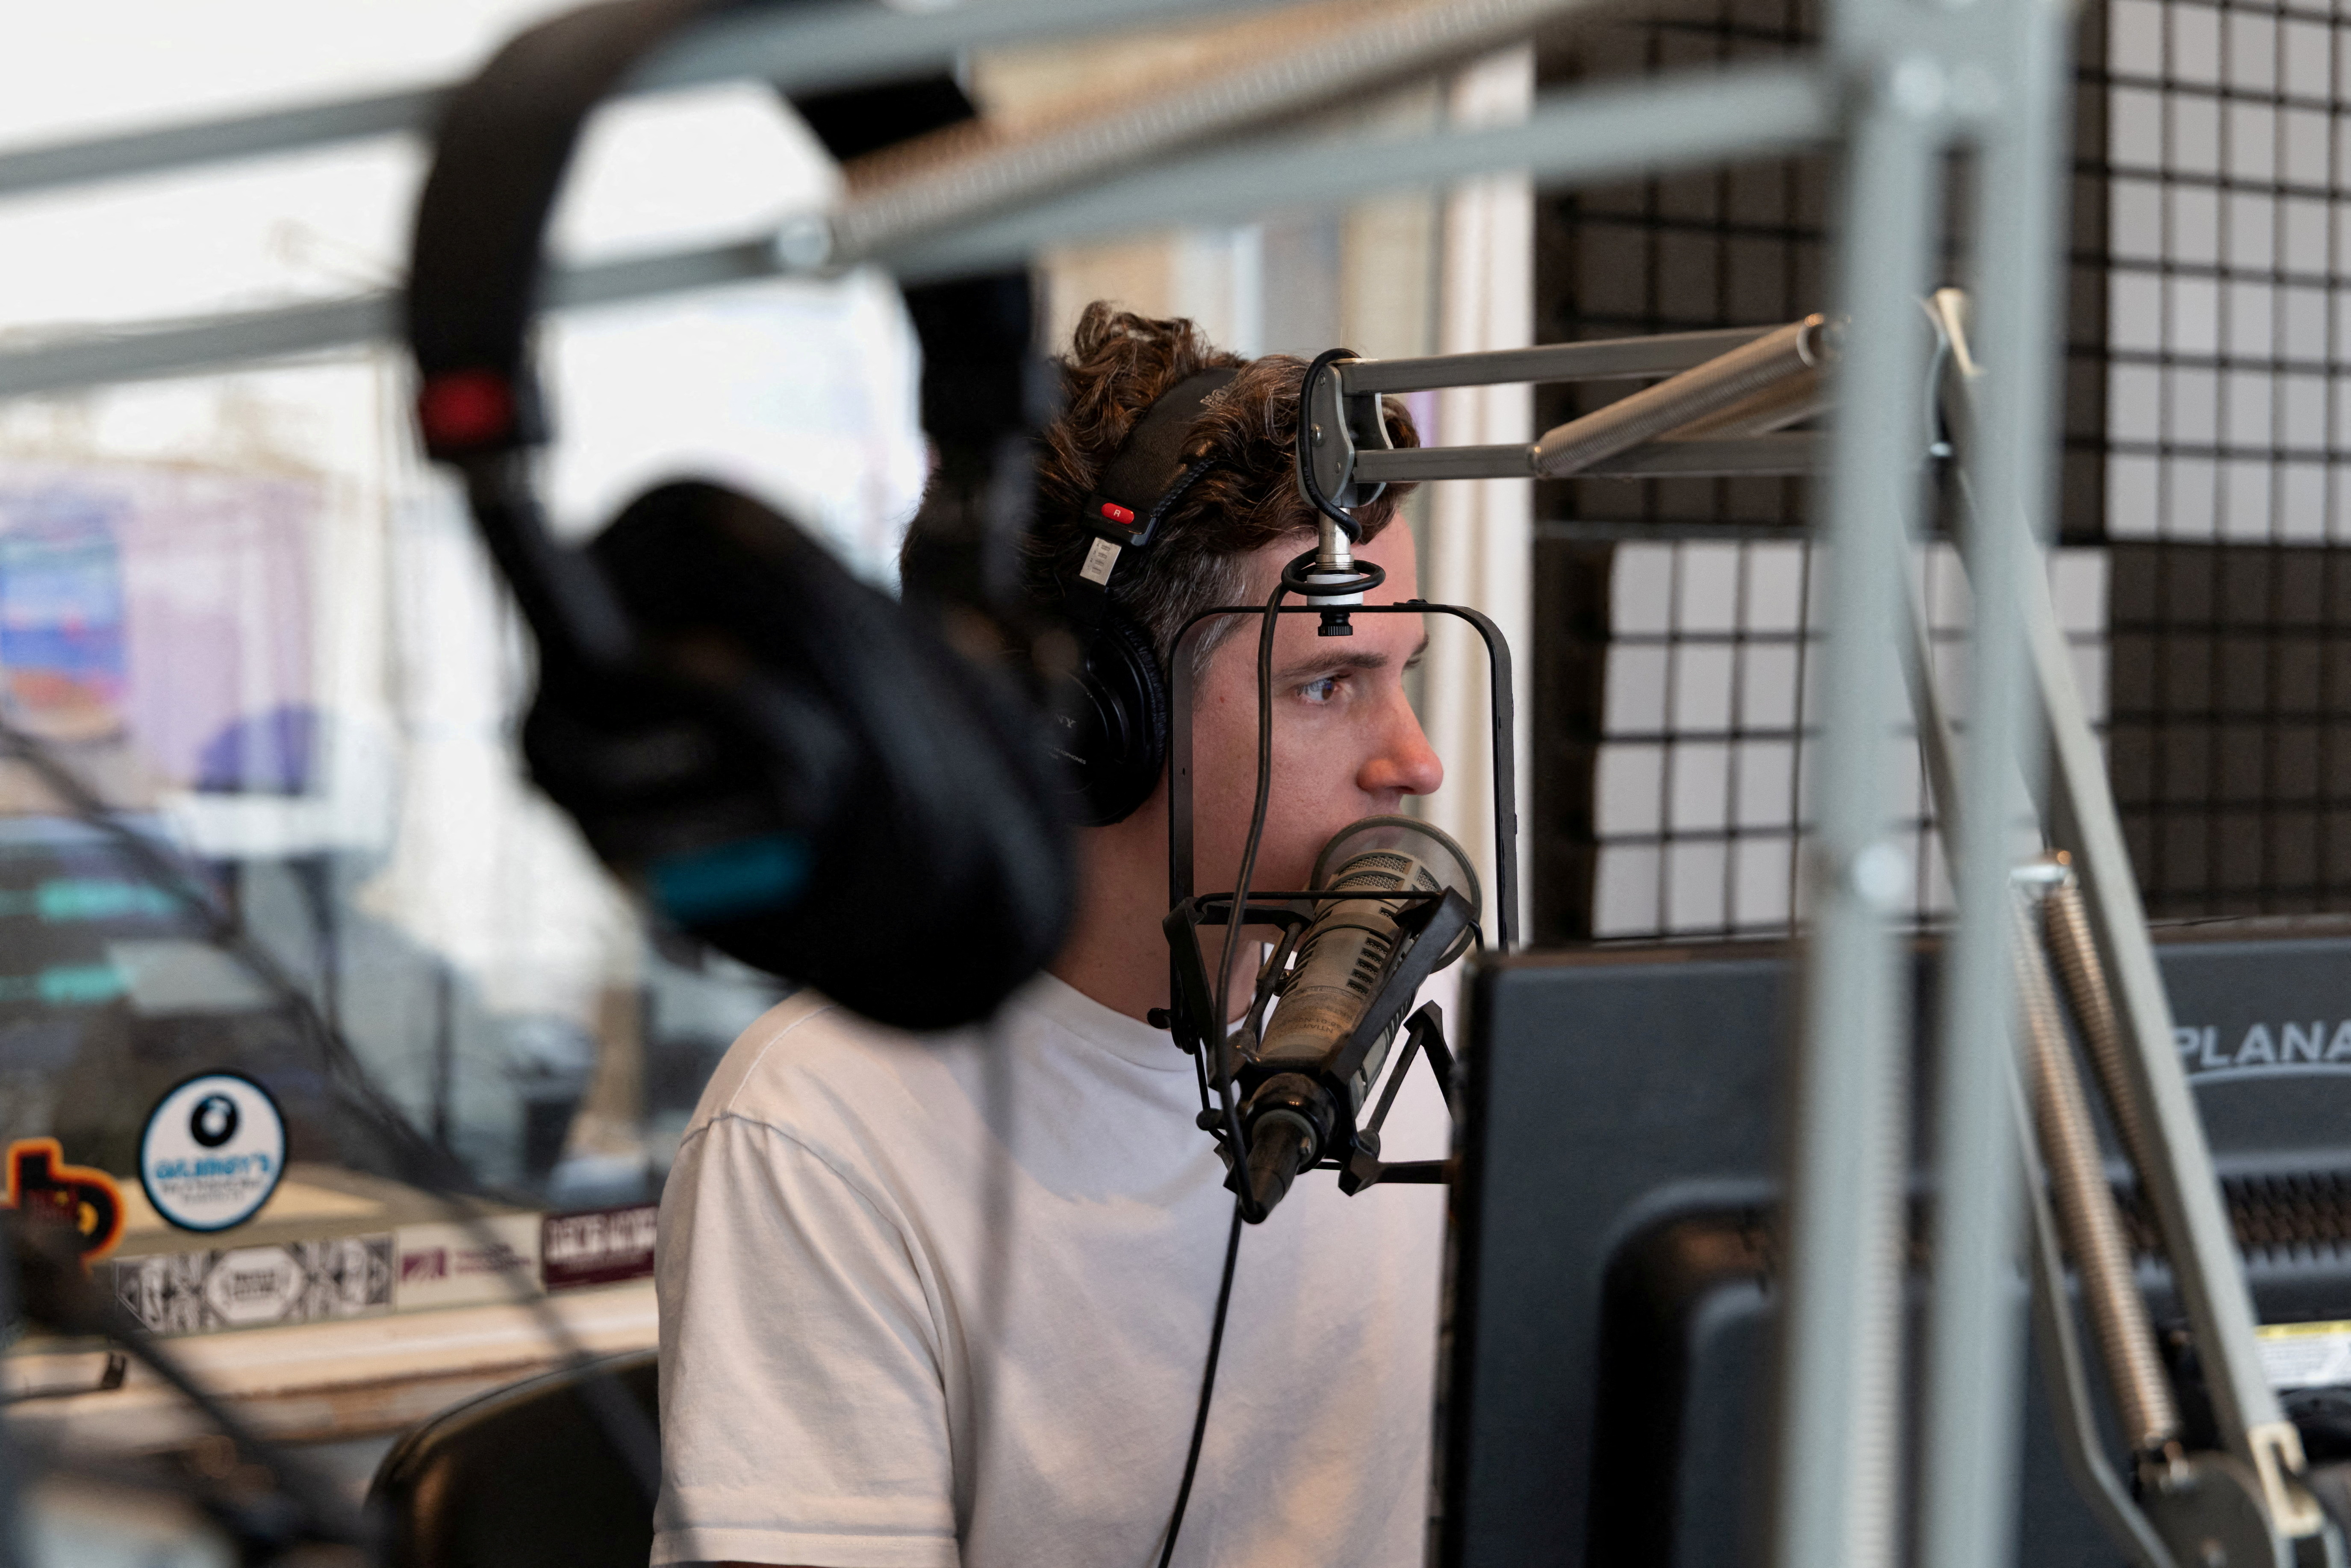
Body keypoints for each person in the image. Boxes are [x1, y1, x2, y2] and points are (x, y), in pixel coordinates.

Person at [652, 303, 1454, 1568]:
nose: (1416, 761)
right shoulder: (824, 1124)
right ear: (1089, 723)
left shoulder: (1420, 1059)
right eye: (1326, 685)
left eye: (1405, 677)